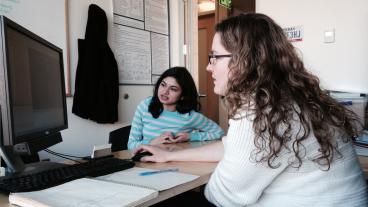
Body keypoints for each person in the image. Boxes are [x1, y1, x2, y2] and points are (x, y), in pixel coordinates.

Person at [133, 13, 368, 206]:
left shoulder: (261, 110)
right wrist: (170, 156)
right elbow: (230, 147)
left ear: (245, 60)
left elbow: (224, 196)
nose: (208, 66)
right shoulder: (292, 98)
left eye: (215, 57)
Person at [127, 66, 224, 150]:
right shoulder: (144, 106)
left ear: (183, 95)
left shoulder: (190, 116)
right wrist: (152, 142)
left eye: (173, 89)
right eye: (163, 85)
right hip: (146, 160)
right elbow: (131, 145)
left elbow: (219, 132)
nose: (165, 92)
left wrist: (191, 136)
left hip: (175, 161)